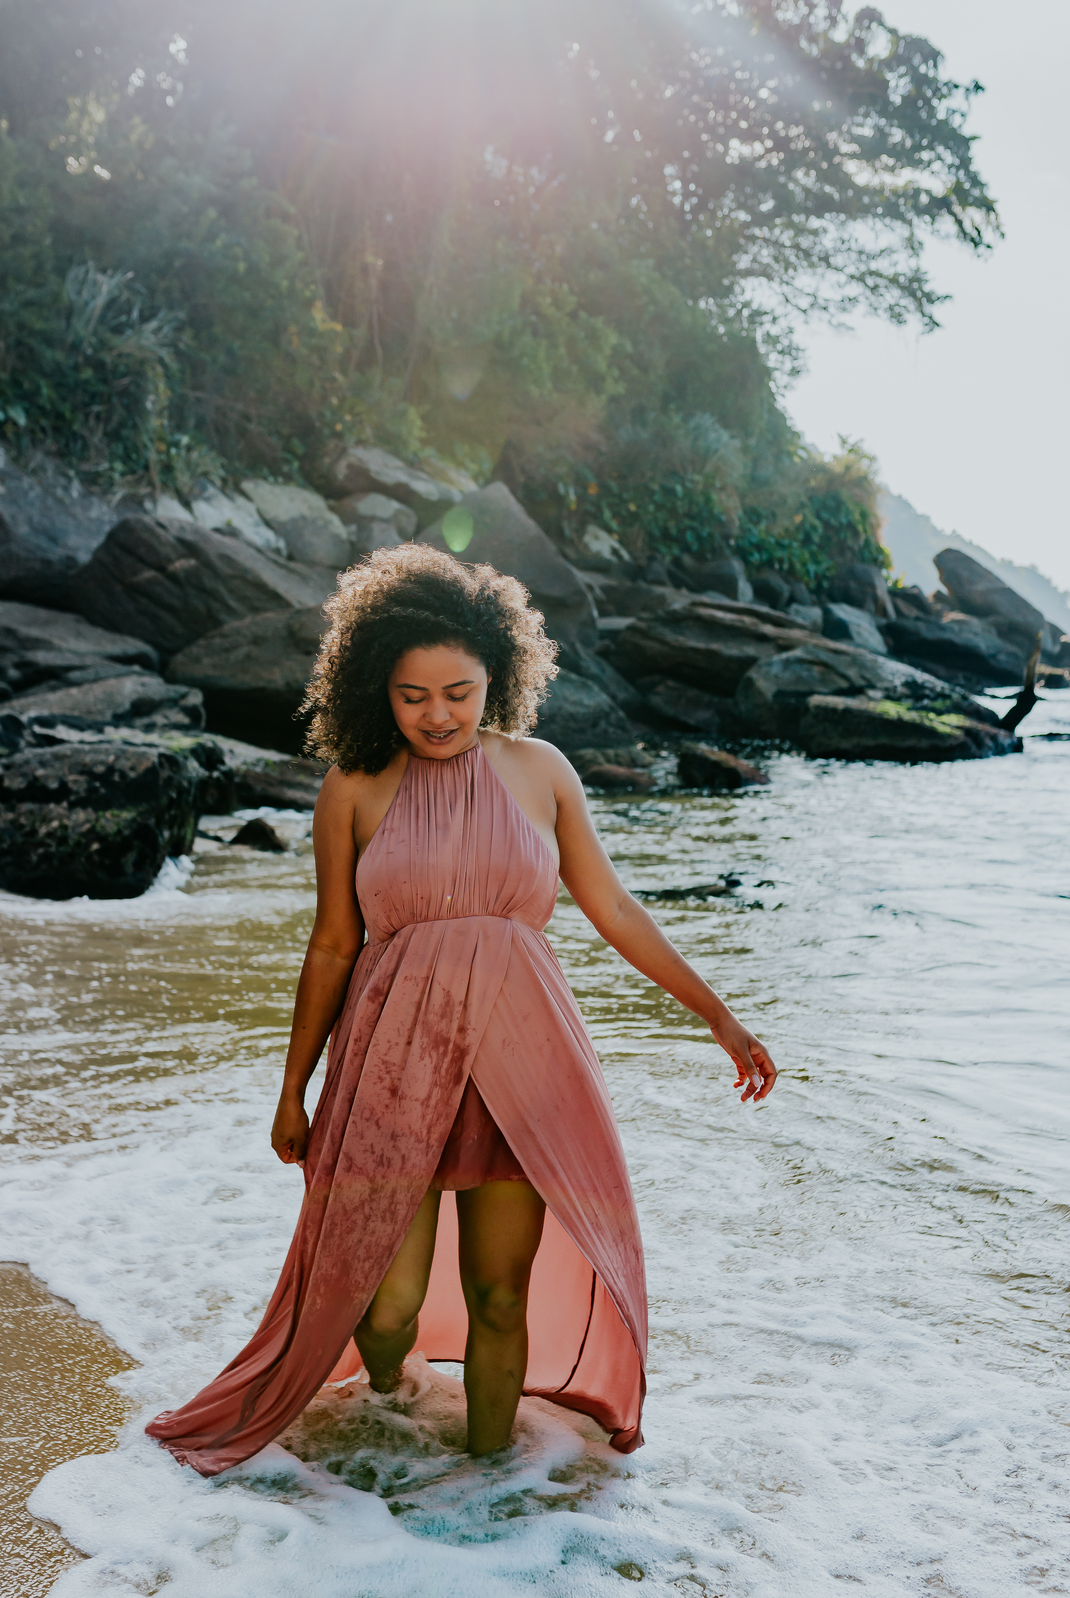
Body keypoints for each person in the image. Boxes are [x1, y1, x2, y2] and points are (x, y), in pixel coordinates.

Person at [147, 544, 776, 1475]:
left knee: (498, 1296)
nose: (437, 714)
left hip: (525, 1065)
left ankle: (489, 1496)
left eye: (460, 691)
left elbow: (613, 909)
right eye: (412, 695)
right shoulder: (353, 788)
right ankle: (389, 1406)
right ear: (375, 689)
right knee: (387, 1299)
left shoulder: (540, 770)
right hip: (392, 1064)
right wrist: (294, 1089)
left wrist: (718, 1016)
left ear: (500, 678)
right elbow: (333, 944)